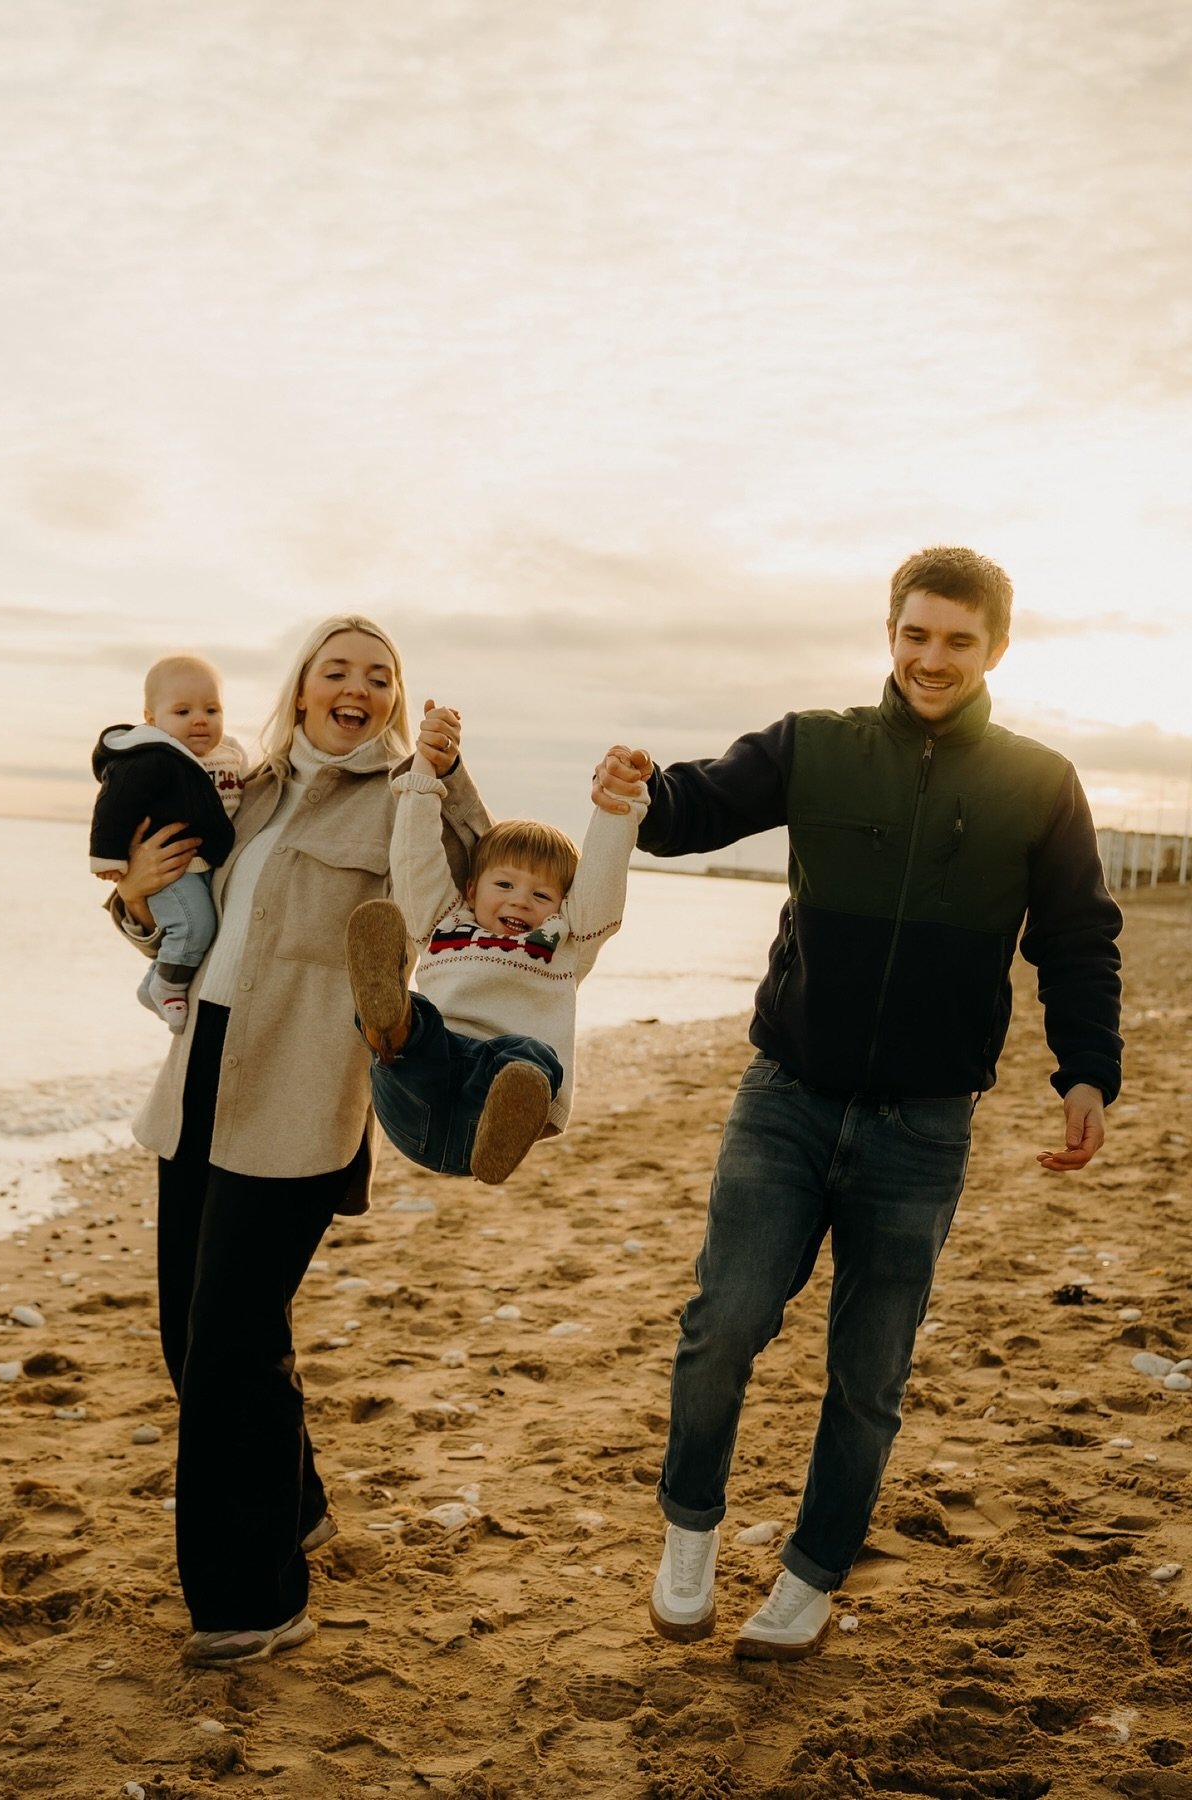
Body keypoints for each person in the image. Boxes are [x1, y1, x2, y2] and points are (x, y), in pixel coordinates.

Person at [592, 546, 1122, 1662]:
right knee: (723, 1323)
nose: (933, 659)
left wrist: (1087, 1070)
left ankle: (811, 1574)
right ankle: (690, 1533)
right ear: (890, 634)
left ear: (997, 650)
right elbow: (688, 812)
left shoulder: (1039, 783)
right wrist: (637, 786)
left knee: (869, 1373)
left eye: (958, 641)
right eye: (916, 635)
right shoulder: (814, 745)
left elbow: (1077, 940)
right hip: (785, 1099)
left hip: (924, 1127)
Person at [108, 616, 489, 1666]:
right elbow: (186, 919)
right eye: (335, 671)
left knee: (230, 1345)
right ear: (305, 687)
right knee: (193, 1335)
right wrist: (134, 897)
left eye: (378, 675)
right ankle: (300, 1502)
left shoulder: (413, 794)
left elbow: (465, 910)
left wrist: (447, 782)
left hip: (303, 1091)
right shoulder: (249, 787)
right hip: (201, 1080)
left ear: (396, 698)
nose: (354, 687)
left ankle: (255, 1601)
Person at [344, 742, 647, 1184]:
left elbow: (602, 876)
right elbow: (415, 859)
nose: (520, 900)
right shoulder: (441, 920)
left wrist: (619, 807)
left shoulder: (567, 940)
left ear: (563, 906)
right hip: (417, 1092)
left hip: (488, 1116)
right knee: (418, 1017)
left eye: (541, 895)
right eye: (504, 884)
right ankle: (385, 1027)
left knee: (529, 1056)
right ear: (470, 891)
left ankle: (506, 1114)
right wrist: (422, 777)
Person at [90, 653, 247, 1032]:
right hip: (171, 866)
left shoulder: (232, 756)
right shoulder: (151, 758)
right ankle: (168, 988)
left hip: (205, 863)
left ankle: (154, 984)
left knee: (192, 926)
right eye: (182, 711)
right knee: (194, 925)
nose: (199, 719)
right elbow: (115, 803)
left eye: (212, 709)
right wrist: (110, 860)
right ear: (151, 718)